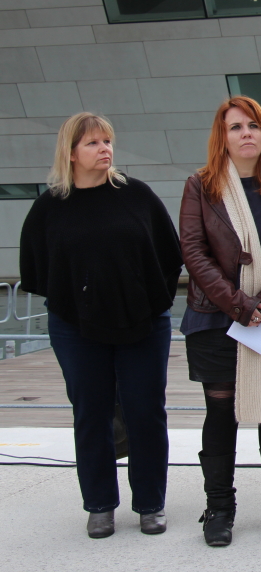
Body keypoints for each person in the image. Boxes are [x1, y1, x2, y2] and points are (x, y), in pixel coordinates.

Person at [19, 112, 182, 538]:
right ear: (71, 153)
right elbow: (36, 268)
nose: (104, 149)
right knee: (90, 414)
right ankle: (99, 505)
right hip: (76, 328)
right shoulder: (49, 207)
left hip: (144, 324)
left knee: (146, 412)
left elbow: (169, 255)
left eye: (107, 141)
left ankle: (150, 504)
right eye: (92, 143)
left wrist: (149, 303)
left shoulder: (137, 196)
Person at [179, 96, 261, 546]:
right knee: (221, 412)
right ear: (223, 137)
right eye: (235, 127)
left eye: (253, 126)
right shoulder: (200, 186)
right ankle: (219, 508)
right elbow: (194, 252)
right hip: (217, 319)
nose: (246, 133)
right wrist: (239, 305)